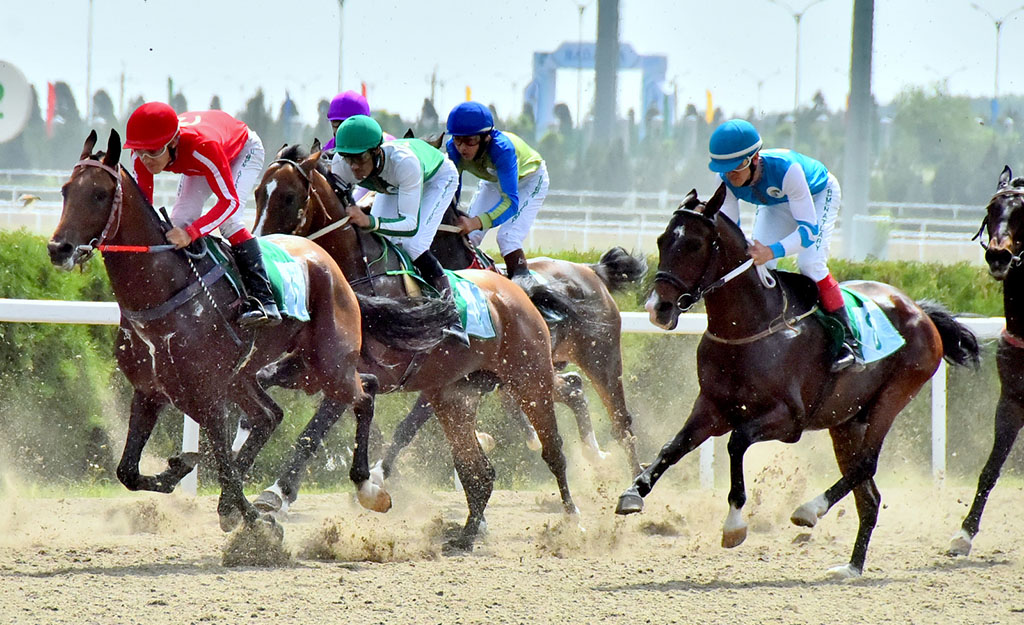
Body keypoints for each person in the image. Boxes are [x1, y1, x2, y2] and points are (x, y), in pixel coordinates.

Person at [708, 118, 863, 372]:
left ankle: (849, 343)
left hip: (817, 194)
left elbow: (808, 233)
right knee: (760, 266)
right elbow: (731, 231)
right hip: (776, 203)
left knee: (810, 263)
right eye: (724, 169)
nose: (730, 175)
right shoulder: (724, 179)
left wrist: (771, 250)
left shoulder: (787, 169)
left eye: (735, 168)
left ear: (754, 159)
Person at [123, 102, 281, 327]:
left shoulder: (202, 148)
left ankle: (265, 301)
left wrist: (191, 234)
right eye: (140, 152)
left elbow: (230, 202)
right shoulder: (141, 155)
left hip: (241, 150)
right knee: (179, 220)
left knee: (229, 222)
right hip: (199, 159)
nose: (146, 159)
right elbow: (143, 206)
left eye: (154, 151)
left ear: (173, 142)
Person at [330, 114, 468, 345]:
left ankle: (452, 316)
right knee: (377, 238)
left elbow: (409, 225)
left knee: (413, 245)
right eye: (347, 158)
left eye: (360, 158)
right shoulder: (340, 166)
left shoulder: (405, 164)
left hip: (437, 179)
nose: (353, 166)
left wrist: (369, 221)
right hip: (391, 185)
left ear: (376, 151)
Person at [444, 101, 549, 291]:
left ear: (486, 138)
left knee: (508, 237)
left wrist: (476, 221)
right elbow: (453, 191)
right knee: (469, 235)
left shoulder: (502, 150)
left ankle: (527, 290)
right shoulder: (453, 149)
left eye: (470, 141)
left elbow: (510, 202)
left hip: (529, 180)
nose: (462, 148)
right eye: (458, 140)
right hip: (493, 180)